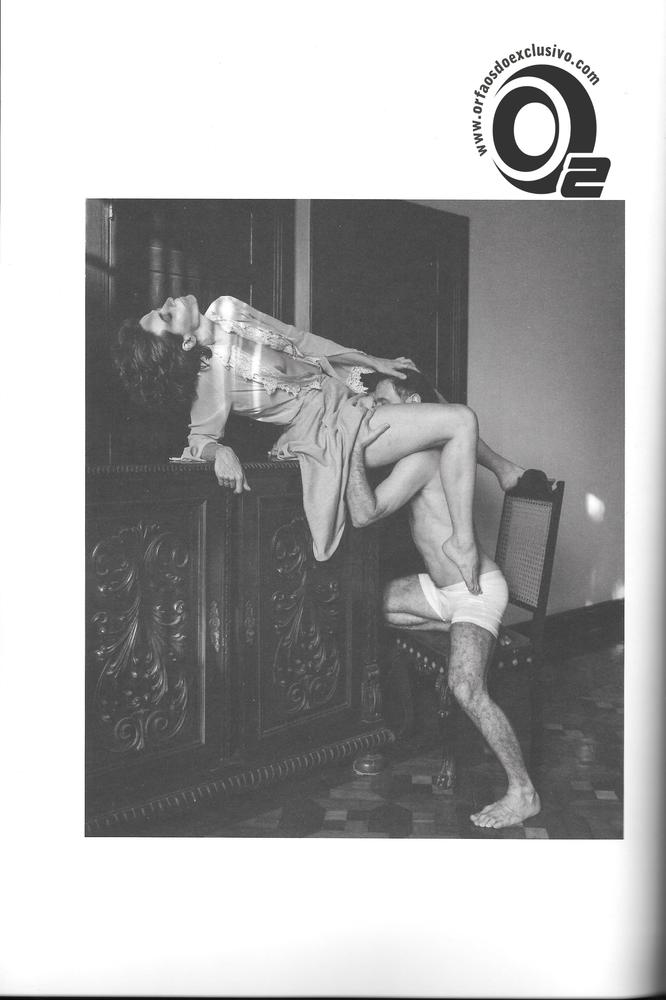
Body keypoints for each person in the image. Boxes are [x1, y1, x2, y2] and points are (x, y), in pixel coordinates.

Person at [115, 294, 483, 589]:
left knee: (415, 380)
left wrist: (374, 361)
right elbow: (200, 438)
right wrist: (220, 451)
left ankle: (499, 469)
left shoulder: (227, 309)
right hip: (326, 429)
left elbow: (301, 340)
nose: (169, 302)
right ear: (186, 342)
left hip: (342, 390)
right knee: (460, 420)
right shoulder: (210, 380)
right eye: (166, 316)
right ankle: (462, 542)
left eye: (161, 307)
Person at [345, 370, 540, 830]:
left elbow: (364, 514)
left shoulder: (423, 459)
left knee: (465, 686)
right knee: (366, 607)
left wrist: (350, 448)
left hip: (475, 592)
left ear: (412, 403)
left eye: (383, 402)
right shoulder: (428, 454)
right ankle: (459, 629)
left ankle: (524, 792)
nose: (377, 411)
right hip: (442, 592)